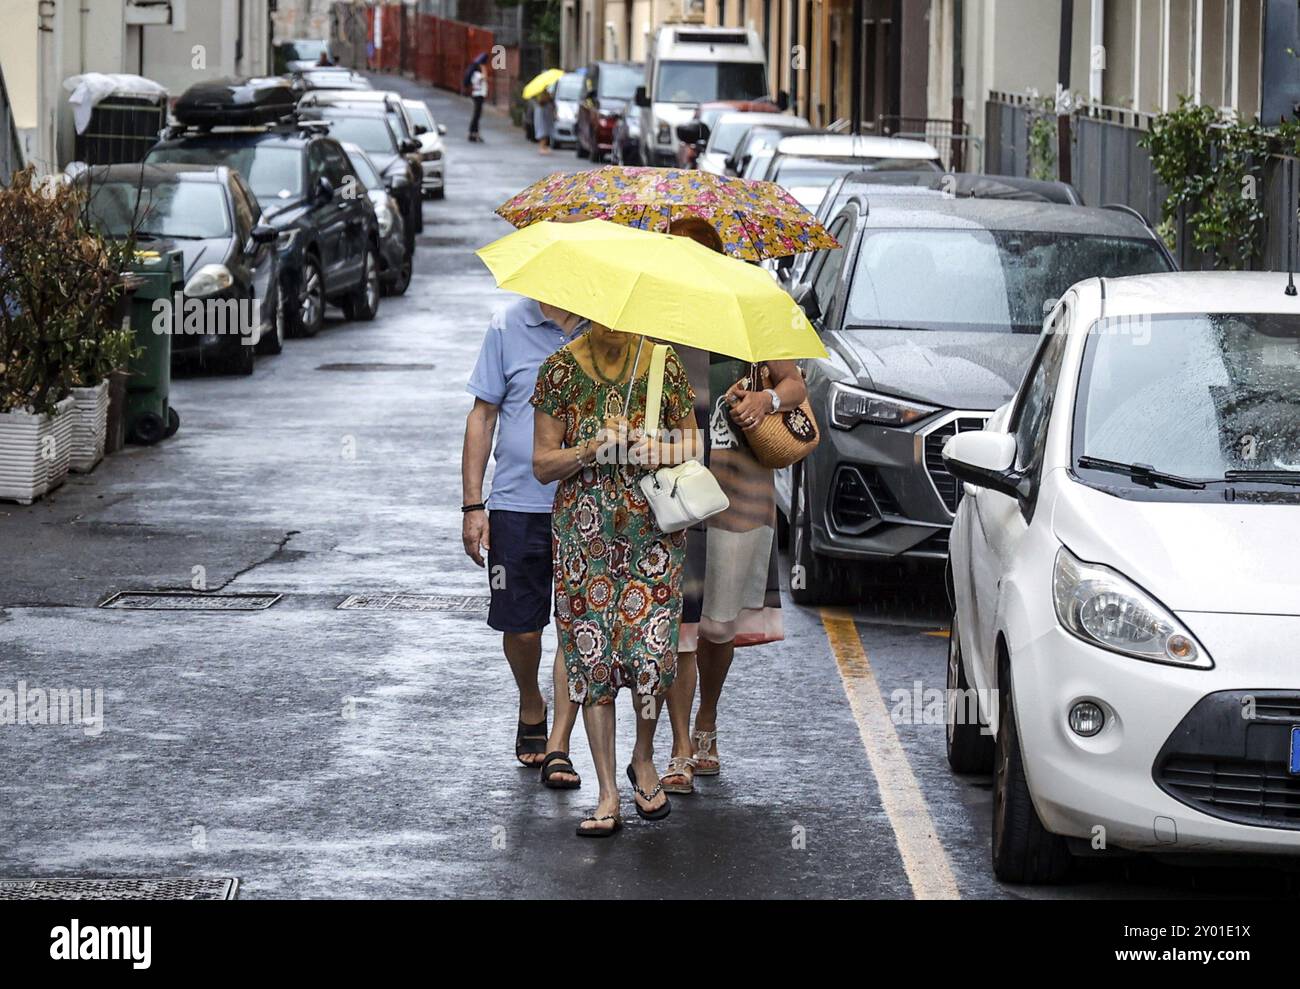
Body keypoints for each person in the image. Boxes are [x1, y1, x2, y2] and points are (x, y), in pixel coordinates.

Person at [531, 319, 700, 836]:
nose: (616, 326)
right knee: (594, 664)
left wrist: (658, 450)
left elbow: (691, 442)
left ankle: (643, 758)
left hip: (652, 539)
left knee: (651, 657)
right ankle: (607, 793)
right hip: (585, 544)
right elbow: (541, 463)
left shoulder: (661, 364)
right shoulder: (559, 370)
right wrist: (589, 450)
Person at [658, 217, 806, 796]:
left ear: (717, 258)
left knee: (718, 624)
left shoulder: (752, 308)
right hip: (673, 486)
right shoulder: (656, 316)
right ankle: (676, 749)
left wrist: (764, 396)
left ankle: (707, 723)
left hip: (740, 488)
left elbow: (794, 384)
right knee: (679, 625)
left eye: (695, 254)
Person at [463, 297, 589, 788]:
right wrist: (474, 505)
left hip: (587, 505)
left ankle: (558, 742)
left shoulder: (606, 327)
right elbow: (482, 415)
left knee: (577, 625)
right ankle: (531, 699)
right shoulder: (506, 325)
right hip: (517, 505)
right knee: (521, 629)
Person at [468, 62, 488, 143]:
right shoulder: (477, 74)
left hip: (478, 95)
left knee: (477, 115)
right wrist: (484, 68)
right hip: (478, 96)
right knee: (477, 115)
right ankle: (474, 133)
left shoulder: (475, 74)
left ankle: (473, 133)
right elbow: (485, 77)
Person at [533, 89, 555, 155]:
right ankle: (541, 148)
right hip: (543, 119)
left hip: (545, 119)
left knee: (545, 133)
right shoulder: (542, 102)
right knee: (543, 133)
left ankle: (544, 147)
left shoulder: (545, 102)